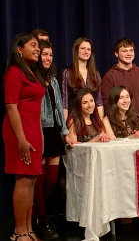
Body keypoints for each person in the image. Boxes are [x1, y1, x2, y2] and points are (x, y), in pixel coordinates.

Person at [31, 40, 75, 239]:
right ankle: (40, 219)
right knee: (38, 180)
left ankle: (35, 213)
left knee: (52, 178)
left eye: (50, 54)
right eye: (44, 54)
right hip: (40, 130)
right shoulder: (32, 76)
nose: (48, 58)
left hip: (54, 131)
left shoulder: (53, 79)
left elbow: (59, 107)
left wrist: (64, 131)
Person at [3, 33, 44, 241]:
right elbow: (11, 107)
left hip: (34, 131)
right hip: (19, 131)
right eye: (33, 45)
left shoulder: (32, 72)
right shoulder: (14, 72)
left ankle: (28, 228)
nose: (38, 49)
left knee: (31, 180)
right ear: (19, 49)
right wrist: (21, 139)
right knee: (23, 179)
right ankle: (18, 232)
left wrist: (40, 136)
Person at [101, 38, 139, 117]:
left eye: (131, 50)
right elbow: (108, 105)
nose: (129, 54)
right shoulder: (110, 76)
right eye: (124, 51)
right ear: (116, 53)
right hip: (120, 124)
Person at [62, 37, 104, 120]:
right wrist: (65, 127)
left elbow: (99, 101)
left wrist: (101, 124)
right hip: (75, 118)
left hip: (92, 120)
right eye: (83, 48)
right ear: (76, 50)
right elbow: (64, 102)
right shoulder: (67, 73)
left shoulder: (96, 74)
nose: (86, 52)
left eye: (88, 49)